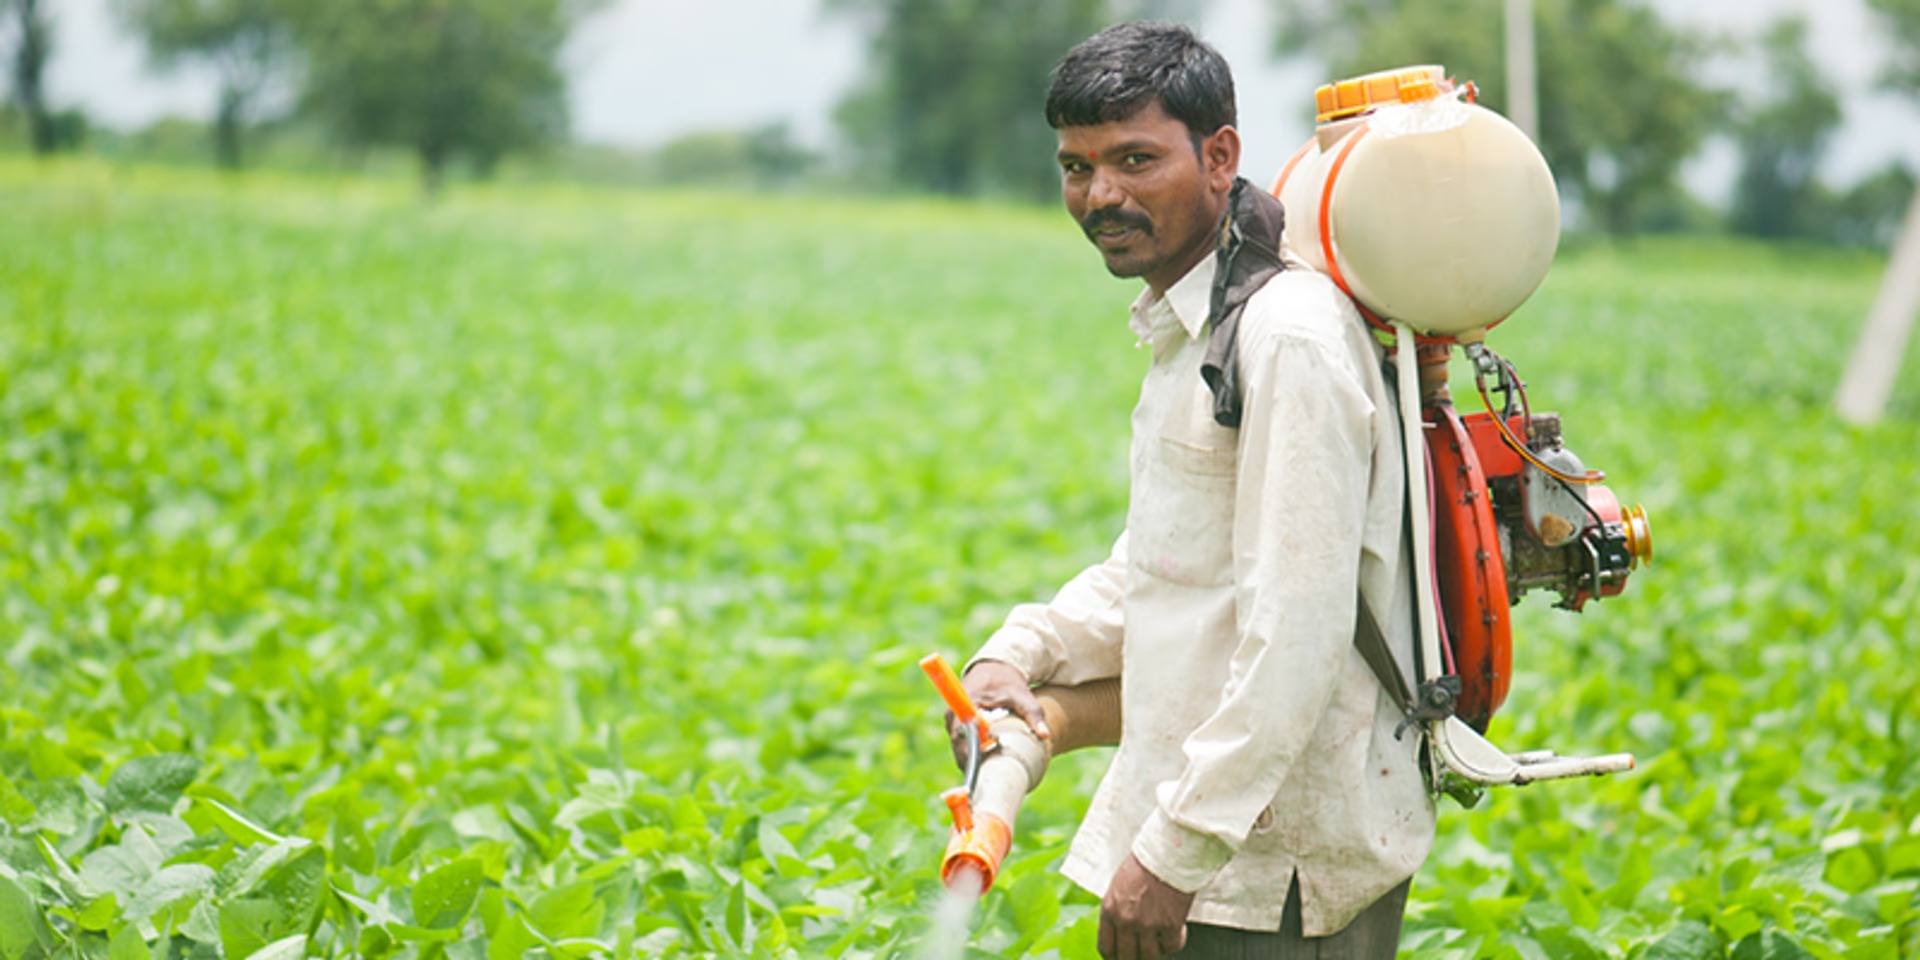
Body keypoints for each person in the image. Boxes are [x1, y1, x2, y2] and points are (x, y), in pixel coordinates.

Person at [954, 21, 1436, 960]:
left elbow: (1298, 630)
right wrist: (1022, 652)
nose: (1101, 196)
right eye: (1076, 166)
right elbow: (1170, 567)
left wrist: (1174, 856)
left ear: (1221, 158)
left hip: (1272, 866)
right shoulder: (1200, 320)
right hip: (1215, 843)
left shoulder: (1282, 336)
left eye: (1136, 159)